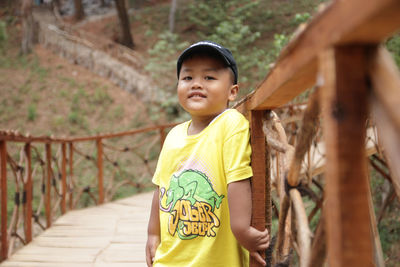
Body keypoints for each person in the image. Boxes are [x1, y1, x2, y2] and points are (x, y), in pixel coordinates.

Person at [146, 41, 270, 267]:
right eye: (188, 78)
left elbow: (237, 178)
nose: (196, 84)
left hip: (214, 260)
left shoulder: (230, 123)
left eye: (209, 78)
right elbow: (161, 189)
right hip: (169, 258)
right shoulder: (173, 135)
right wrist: (153, 234)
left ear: (232, 92)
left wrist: (241, 229)